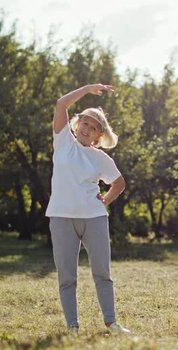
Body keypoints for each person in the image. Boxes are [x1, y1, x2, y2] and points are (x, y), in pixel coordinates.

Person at [45, 84, 130, 335]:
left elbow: (119, 183)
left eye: (93, 128)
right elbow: (62, 103)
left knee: (102, 273)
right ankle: (72, 326)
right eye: (85, 123)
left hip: (94, 218)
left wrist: (105, 200)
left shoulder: (101, 158)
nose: (87, 129)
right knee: (67, 276)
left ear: (98, 136)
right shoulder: (63, 142)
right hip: (61, 217)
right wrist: (89, 89)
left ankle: (111, 322)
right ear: (77, 123)